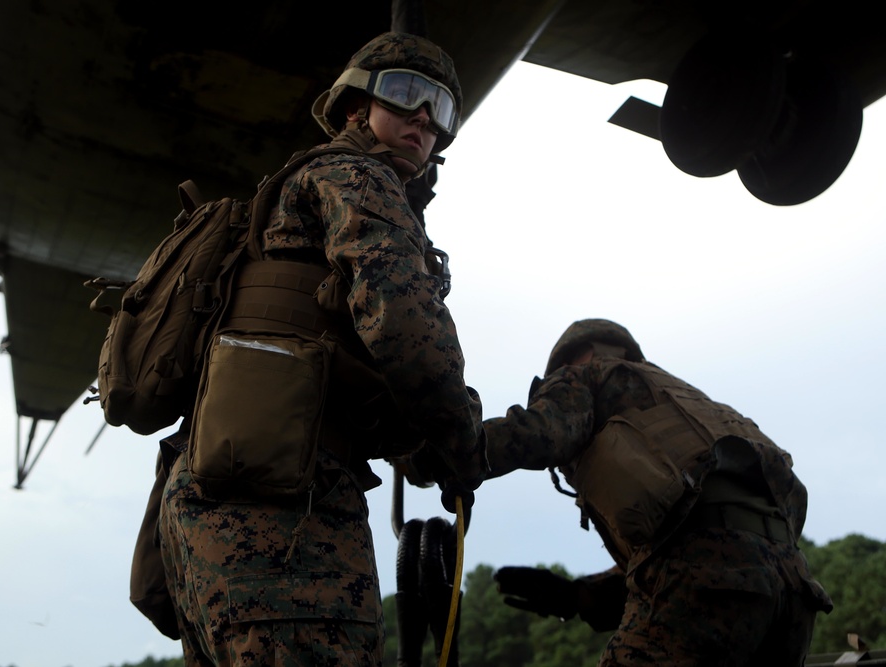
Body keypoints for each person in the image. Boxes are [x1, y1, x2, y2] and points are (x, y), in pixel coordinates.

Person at [156, 32, 488, 667]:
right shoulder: (354, 175)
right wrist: (458, 437)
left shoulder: (304, 189)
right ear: (354, 107)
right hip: (282, 511)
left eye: (441, 109)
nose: (423, 116)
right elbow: (406, 326)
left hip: (224, 495)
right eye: (405, 92)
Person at [486, 318, 832, 666]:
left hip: (706, 577)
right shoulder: (695, 402)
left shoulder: (585, 375)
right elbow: (726, 537)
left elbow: (542, 434)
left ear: (583, 354)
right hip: (794, 588)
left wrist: (452, 447)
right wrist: (579, 596)